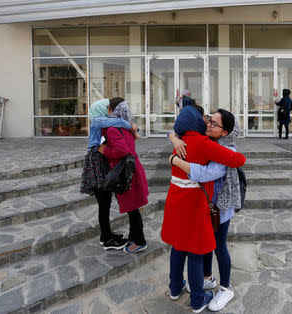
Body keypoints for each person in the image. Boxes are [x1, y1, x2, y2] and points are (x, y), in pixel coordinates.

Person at [161, 106, 246, 313]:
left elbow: (206, 173)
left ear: (225, 131)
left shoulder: (209, 145)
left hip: (214, 206)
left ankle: (216, 287)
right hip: (200, 204)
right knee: (198, 248)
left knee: (202, 247)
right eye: (208, 119)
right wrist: (173, 136)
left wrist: (176, 159)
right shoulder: (202, 140)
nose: (208, 123)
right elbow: (176, 130)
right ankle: (201, 291)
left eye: (213, 122)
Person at [80, 98, 137, 250]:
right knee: (104, 204)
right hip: (97, 163)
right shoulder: (98, 121)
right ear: (99, 110)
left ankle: (106, 235)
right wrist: (130, 126)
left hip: (101, 161)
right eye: (106, 107)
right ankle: (106, 239)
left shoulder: (103, 122)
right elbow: (120, 123)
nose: (108, 110)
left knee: (105, 203)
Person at [98, 97, 149, 253]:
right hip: (132, 169)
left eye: (109, 109)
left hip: (125, 173)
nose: (107, 112)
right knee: (133, 207)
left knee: (132, 209)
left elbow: (121, 151)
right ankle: (133, 237)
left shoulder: (113, 129)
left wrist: (104, 150)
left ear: (113, 110)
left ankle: (139, 241)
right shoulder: (127, 127)